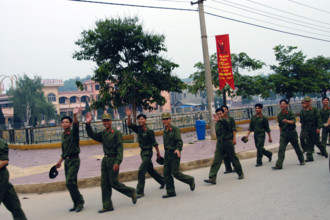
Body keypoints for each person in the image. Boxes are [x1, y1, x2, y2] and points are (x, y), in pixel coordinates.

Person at [85, 112, 137, 213]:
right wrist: (87, 124)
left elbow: (120, 149)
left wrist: (117, 162)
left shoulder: (116, 133)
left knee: (113, 182)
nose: (106, 122)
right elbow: (92, 135)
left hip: (113, 160)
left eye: (108, 120)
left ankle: (131, 191)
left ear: (111, 121)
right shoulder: (103, 133)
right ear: (102, 122)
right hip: (105, 160)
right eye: (104, 121)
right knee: (104, 184)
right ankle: (107, 205)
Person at [125, 108, 165, 198]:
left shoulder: (149, 131)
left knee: (141, 171)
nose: (140, 120)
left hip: (148, 152)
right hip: (142, 153)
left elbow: (155, 144)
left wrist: (158, 154)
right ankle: (163, 181)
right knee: (150, 170)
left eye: (142, 119)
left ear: (145, 120)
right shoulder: (138, 129)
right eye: (139, 119)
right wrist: (128, 116)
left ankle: (140, 191)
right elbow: (129, 125)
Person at [55, 107, 84, 212]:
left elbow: (76, 125)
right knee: (72, 183)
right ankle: (76, 203)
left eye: (67, 122)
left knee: (69, 182)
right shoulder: (63, 135)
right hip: (67, 161)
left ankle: (80, 201)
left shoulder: (73, 133)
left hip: (74, 160)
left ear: (70, 124)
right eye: (63, 122)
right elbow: (64, 150)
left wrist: (75, 115)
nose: (65, 124)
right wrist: (60, 161)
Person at [204, 108, 244, 184]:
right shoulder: (217, 124)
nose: (219, 115)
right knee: (216, 161)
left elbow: (227, 124)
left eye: (220, 114)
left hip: (228, 142)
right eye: (217, 114)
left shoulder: (227, 121)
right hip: (220, 144)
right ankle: (212, 178)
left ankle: (240, 173)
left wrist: (219, 120)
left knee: (233, 159)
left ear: (223, 114)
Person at [161, 112, 195, 198]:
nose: (165, 121)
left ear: (170, 119)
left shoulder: (175, 129)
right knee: (166, 173)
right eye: (163, 119)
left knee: (175, 172)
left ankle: (190, 180)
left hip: (174, 153)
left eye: (167, 119)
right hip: (167, 153)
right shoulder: (165, 131)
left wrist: (178, 149)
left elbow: (179, 141)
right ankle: (170, 191)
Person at [272, 99, 305, 170]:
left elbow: (293, 121)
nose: (282, 105)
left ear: (286, 105)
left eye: (284, 104)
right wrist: (281, 134)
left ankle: (302, 160)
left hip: (292, 132)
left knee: (296, 147)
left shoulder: (290, 113)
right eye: (281, 104)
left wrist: (287, 121)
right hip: (284, 134)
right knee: (281, 149)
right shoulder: (280, 115)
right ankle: (279, 164)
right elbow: (280, 126)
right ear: (280, 105)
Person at [0, 136, 27, 220]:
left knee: (14, 206)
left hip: (1, 177)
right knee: (14, 204)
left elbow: (4, 161)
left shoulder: (1, 144)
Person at [300, 97, 328, 162]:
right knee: (308, 142)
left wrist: (318, 128)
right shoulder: (302, 112)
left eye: (308, 101)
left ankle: (324, 152)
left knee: (317, 142)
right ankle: (309, 157)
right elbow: (302, 122)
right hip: (307, 128)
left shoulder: (315, 110)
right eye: (306, 101)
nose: (307, 103)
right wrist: (303, 130)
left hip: (314, 128)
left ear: (310, 102)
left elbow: (319, 119)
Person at [221, 105, 236, 174]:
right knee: (225, 155)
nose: (224, 111)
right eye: (223, 109)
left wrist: (234, 139)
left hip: (230, 139)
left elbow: (233, 129)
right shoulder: (219, 119)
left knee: (232, 154)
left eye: (225, 109)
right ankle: (228, 168)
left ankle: (236, 167)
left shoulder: (230, 119)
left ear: (227, 110)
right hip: (222, 140)